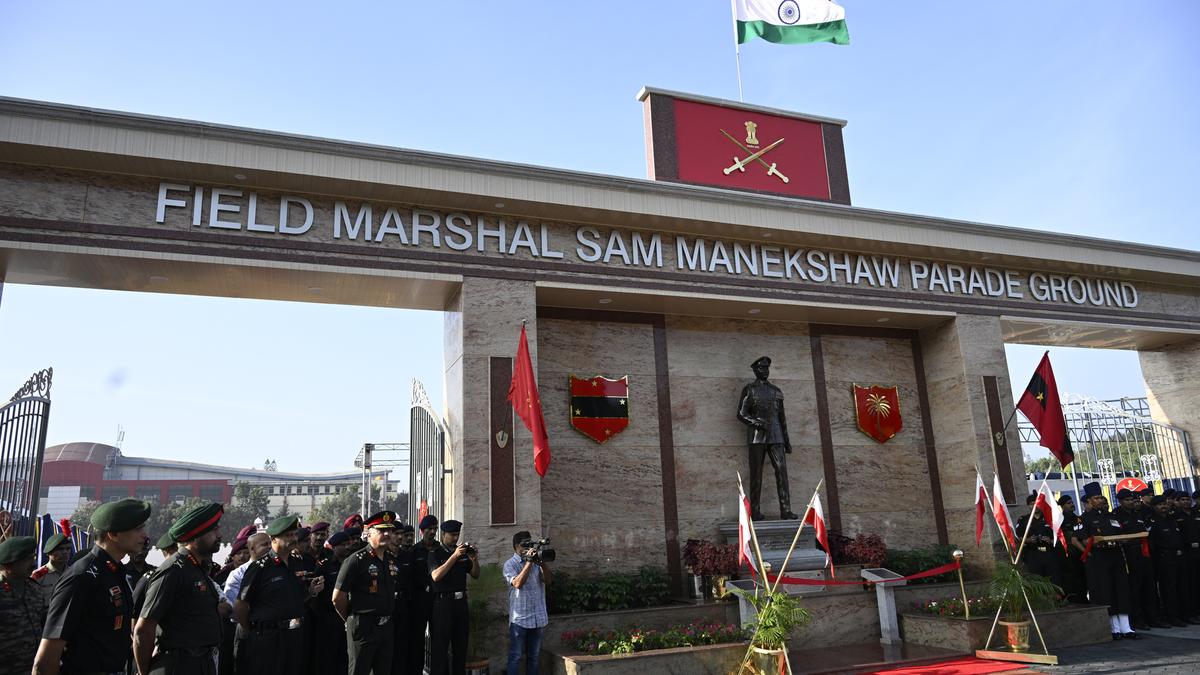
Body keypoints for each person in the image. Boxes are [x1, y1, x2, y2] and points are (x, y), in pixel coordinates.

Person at [35, 497, 152, 675]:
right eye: (138, 529)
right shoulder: (82, 576)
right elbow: (46, 660)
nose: (144, 535)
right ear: (113, 535)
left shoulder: (115, 571)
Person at [134, 502, 227, 675]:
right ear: (195, 536)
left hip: (201, 663)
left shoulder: (196, 568)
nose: (219, 535)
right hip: (178, 665)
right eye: (213, 530)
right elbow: (143, 629)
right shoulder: (173, 571)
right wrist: (143, 672)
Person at [234, 516, 323, 675]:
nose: (294, 539)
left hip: (294, 636)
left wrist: (311, 591)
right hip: (268, 638)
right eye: (288, 535)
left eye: (295, 534)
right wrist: (252, 630)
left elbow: (296, 598)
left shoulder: (297, 563)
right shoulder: (260, 567)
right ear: (273, 539)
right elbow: (241, 605)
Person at [334, 511, 400, 675]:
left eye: (389, 530)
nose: (387, 534)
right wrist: (351, 619)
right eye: (381, 530)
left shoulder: (389, 559)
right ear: (369, 534)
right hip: (363, 627)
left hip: (386, 627)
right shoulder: (356, 560)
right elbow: (337, 598)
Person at [737, 356, 796, 520]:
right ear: (755, 370)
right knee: (756, 474)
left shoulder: (776, 391)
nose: (764, 371)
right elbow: (741, 414)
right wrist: (757, 423)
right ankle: (755, 511)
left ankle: (786, 510)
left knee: (782, 471)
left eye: (766, 368)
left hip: (777, 436)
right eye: (761, 368)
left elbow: (782, 418)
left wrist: (787, 441)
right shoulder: (749, 389)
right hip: (757, 437)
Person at [1079, 483, 1136, 640]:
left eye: (1101, 497)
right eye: (1096, 498)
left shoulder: (1112, 516)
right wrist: (1093, 544)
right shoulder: (1086, 518)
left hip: (1116, 554)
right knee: (1106, 591)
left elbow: (1121, 533)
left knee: (1121, 589)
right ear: (1090, 501)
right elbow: (1081, 539)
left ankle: (1126, 627)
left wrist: (1123, 539)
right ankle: (1114, 628)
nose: (1100, 500)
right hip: (1100, 557)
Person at [428, 519, 479, 675]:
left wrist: (474, 559)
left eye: (457, 535)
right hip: (443, 604)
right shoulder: (435, 553)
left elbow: (475, 574)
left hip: (460, 604)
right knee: (440, 648)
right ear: (443, 534)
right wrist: (454, 557)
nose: (455, 538)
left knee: (460, 647)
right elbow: (436, 576)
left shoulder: (462, 553)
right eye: (452, 535)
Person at [223, 532, 270, 675]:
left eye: (270, 544)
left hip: (270, 632)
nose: (269, 547)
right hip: (247, 629)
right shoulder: (238, 574)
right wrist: (250, 626)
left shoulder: (274, 569)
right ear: (252, 549)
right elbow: (235, 608)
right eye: (264, 545)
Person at [503, 531, 550, 675]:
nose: (528, 548)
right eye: (525, 545)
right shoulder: (509, 564)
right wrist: (528, 563)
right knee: (515, 657)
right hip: (520, 620)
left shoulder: (536, 563)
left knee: (534, 657)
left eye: (530, 544)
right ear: (516, 546)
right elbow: (517, 583)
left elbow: (548, 580)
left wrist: (542, 564)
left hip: (537, 618)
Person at [0, 535, 46, 674]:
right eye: (27, 559)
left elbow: (42, 622)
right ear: (8, 564)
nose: (33, 564)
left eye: (33, 558)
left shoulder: (34, 588)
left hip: (33, 667)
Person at [313, 530, 355, 675]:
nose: (347, 547)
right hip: (330, 617)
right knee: (329, 655)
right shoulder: (324, 566)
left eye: (348, 544)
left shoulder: (354, 563)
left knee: (347, 655)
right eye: (343, 544)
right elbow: (316, 594)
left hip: (350, 616)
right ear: (334, 547)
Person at [402, 515, 439, 675]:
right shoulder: (415, 551)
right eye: (429, 529)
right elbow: (410, 576)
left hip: (437, 600)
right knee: (417, 640)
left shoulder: (439, 548)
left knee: (438, 639)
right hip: (419, 601)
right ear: (422, 531)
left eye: (435, 529)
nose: (433, 532)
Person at [1150, 495, 1190, 626]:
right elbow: (1152, 544)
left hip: (1179, 556)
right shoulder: (1152, 522)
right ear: (1154, 507)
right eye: (1160, 505)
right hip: (1164, 558)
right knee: (1169, 588)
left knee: (1182, 586)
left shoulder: (1172, 519)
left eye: (1164, 504)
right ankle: (1172, 616)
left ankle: (1185, 614)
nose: (1163, 506)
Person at [1015, 493, 1061, 588]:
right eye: (1032, 504)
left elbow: (1060, 536)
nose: (1034, 506)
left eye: (1037, 503)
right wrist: (1028, 540)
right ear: (1028, 505)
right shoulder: (1023, 520)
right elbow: (1018, 537)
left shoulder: (1049, 518)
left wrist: (1050, 540)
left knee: (1054, 580)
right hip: (1033, 554)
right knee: (1037, 581)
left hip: (1049, 552)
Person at [1057, 495, 1088, 603]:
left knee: (1082, 576)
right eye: (1068, 503)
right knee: (1072, 578)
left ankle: (1082, 597)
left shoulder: (1077, 518)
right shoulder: (1060, 519)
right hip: (1068, 553)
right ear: (1062, 506)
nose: (1072, 505)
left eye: (1072, 502)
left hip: (1079, 552)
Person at [31, 533, 72, 605]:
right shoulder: (38, 575)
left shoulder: (72, 573)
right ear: (49, 552)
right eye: (60, 549)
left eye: (68, 549)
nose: (65, 552)